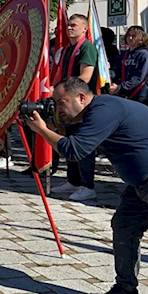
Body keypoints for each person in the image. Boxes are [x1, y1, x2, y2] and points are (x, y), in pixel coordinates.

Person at [26, 77, 148, 294]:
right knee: (124, 227)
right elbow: (75, 141)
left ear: (81, 98)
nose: (58, 108)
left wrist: (42, 130)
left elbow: (74, 151)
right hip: (142, 180)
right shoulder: (92, 114)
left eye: (61, 102)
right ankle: (126, 291)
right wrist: (58, 124)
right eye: (55, 103)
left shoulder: (103, 110)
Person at [51, 14, 98, 201]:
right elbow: (59, 74)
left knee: (83, 144)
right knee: (69, 138)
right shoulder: (66, 50)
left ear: (85, 28)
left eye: (74, 25)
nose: (69, 28)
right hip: (67, 102)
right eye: (68, 25)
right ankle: (73, 180)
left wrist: (65, 92)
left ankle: (88, 185)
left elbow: (85, 76)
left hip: (81, 104)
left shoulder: (87, 48)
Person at [109, 26, 148, 104]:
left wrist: (120, 87)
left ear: (141, 38)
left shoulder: (143, 55)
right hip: (123, 93)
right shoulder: (123, 54)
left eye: (134, 36)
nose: (130, 38)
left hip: (139, 93)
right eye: (128, 35)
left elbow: (139, 77)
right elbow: (115, 70)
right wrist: (109, 76)